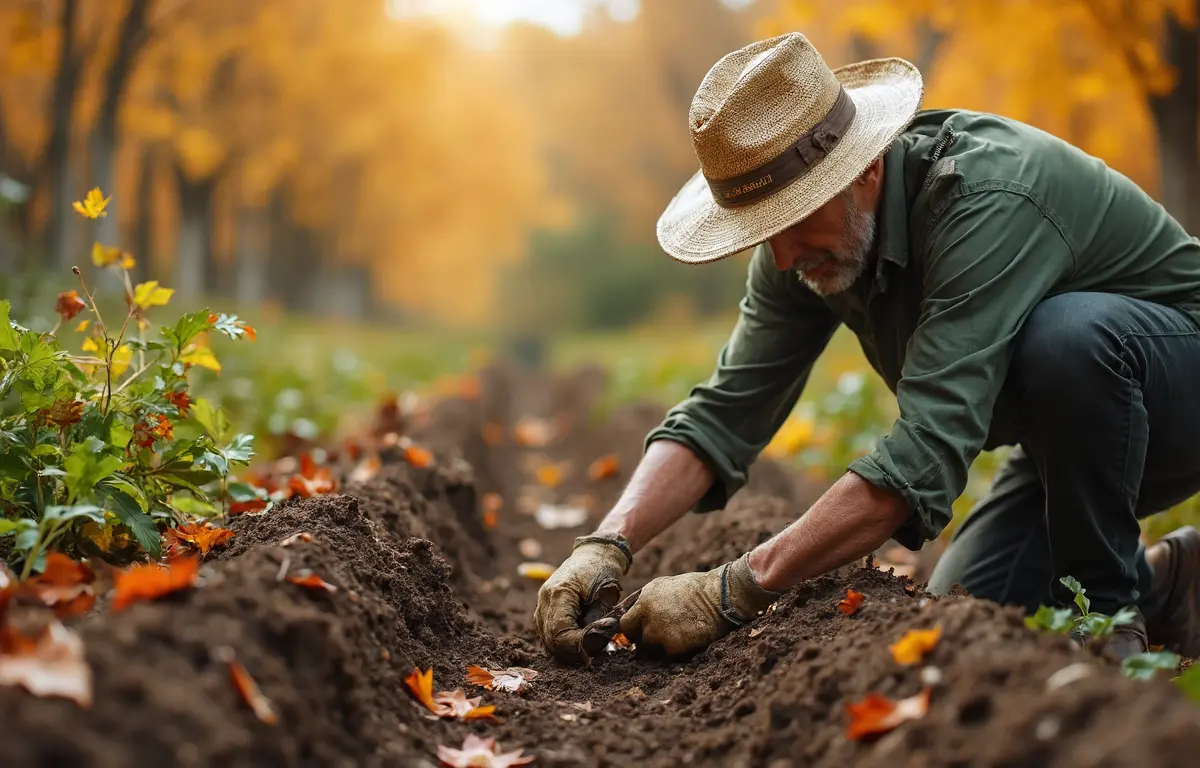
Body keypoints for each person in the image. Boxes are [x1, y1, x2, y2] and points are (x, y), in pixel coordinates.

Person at [533, 32, 1200, 664]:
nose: (783, 253)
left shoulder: (985, 197)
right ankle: (1167, 581)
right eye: (760, 229)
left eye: (793, 219)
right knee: (965, 614)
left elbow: (927, 450)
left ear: (865, 167)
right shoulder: (801, 249)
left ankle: (1112, 624)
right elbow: (725, 411)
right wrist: (607, 543)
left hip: (1175, 382)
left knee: (1068, 339)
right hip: (1076, 439)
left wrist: (733, 590)